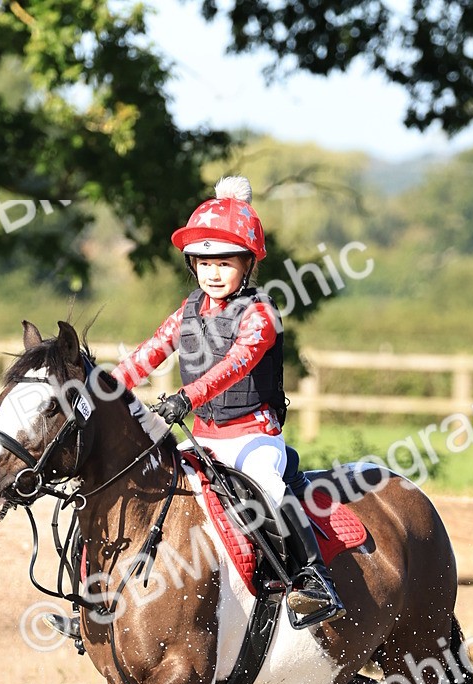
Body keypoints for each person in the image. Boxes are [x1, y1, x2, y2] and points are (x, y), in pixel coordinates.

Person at [111, 175, 345, 624]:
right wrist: (102, 389)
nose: (213, 273)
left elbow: (235, 365)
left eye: (225, 262)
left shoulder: (260, 314)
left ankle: (313, 581)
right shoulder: (188, 311)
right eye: (203, 262)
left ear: (248, 264)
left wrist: (185, 396)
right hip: (202, 439)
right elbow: (147, 354)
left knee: (270, 491)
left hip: (254, 437)